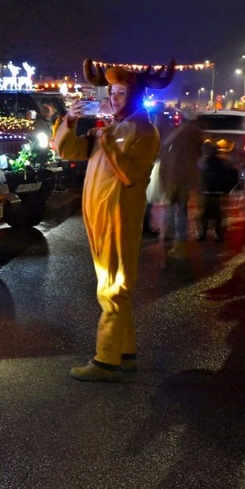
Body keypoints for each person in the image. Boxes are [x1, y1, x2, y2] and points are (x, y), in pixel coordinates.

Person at [53, 66, 162, 382]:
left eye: (121, 93)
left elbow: (130, 175)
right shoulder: (110, 128)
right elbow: (67, 150)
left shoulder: (144, 132)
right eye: (111, 92)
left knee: (112, 287)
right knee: (117, 287)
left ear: (136, 96)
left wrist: (108, 140)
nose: (114, 99)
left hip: (118, 218)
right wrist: (70, 121)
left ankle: (107, 360)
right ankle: (125, 354)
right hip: (98, 217)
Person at [155, 113, 203, 255]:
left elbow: (163, 152)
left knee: (169, 209)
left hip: (171, 176)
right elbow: (198, 154)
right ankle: (180, 242)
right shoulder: (195, 133)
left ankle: (168, 240)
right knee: (181, 210)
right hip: (184, 177)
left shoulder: (173, 132)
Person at [197, 140, 239, 241]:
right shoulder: (221, 161)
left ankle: (204, 235)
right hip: (216, 192)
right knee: (217, 215)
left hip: (207, 192)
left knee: (205, 214)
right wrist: (226, 190)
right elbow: (232, 175)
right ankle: (218, 234)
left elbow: (197, 177)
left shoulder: (201, 162)